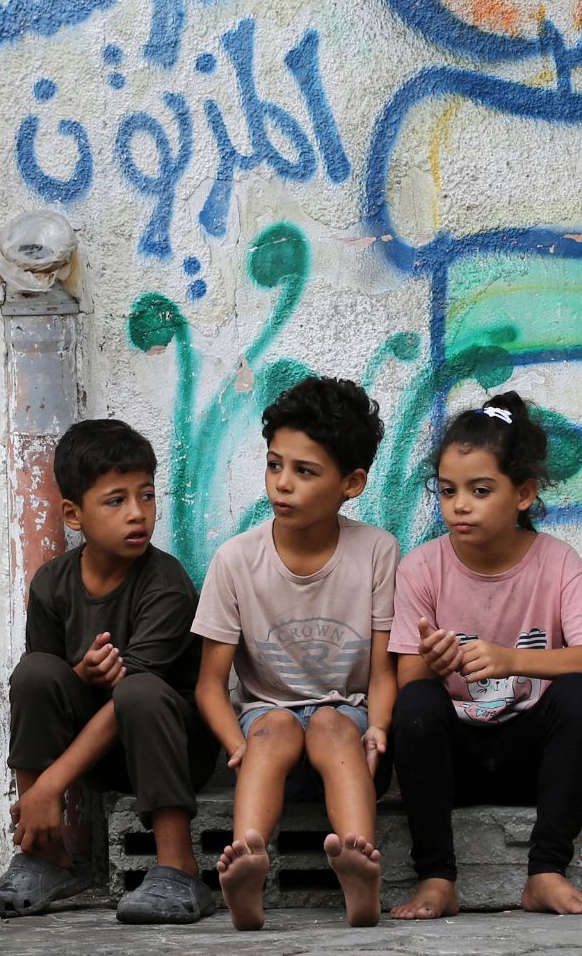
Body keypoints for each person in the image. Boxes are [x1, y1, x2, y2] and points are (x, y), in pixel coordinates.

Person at [0, 419, 217, 924]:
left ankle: (179, 866)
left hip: (172, 750)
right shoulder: (53, 583)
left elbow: (137, 694)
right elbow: (49, 690)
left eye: (146, 496)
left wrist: (48, 786)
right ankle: (45, 854)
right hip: (98, 756)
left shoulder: (165, 585)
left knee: (139, 690)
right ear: (73, 514)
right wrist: (80, 676)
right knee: (35, 673)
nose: (137, 514)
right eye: (116, 500)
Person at [387, 392, 582, 919]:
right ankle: (437, 879)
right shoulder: (421, 568)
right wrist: (436, 664)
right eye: (447, 491)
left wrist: (512, 660)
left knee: (581, 695)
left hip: (529, 760)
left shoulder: (556, 562)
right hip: (455, 762)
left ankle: (546, 873)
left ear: (524, 494)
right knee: (417, 703)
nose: (460, 504)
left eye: (480, 490)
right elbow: (407, 680)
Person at [192, 376, 399, 930]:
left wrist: (378, 727)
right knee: (276, 725)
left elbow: (382, 670)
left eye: (304, 472)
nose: (282, 484)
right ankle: (248, 861)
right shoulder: (236, 560)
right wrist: (237, 744)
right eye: (274, 464)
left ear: (351, 483)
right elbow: (210, 685)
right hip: (265, 749)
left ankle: (358, 863)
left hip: (350, 742)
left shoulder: (376, 552)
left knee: (331, 722)